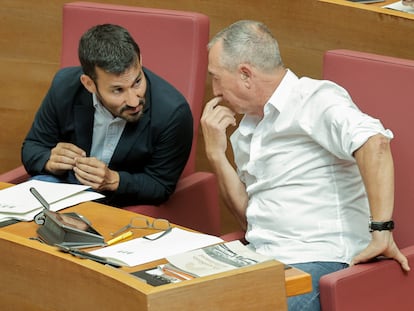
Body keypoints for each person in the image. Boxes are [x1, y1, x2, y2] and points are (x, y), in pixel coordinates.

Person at [201, 20, 410, 310]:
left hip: (321, 259)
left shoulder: (315, 99)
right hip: (262, 258)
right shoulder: (245, 132)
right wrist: (215, 155)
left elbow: (375, 143)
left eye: (216, 78)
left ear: (245, 74)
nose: (215, 92)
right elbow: (250, 221)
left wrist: (382, 231)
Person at [22, 24, 193, 207]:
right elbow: (32, 148)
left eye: (137, 82)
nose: (134, 101)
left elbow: (160, 186)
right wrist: (49, 160)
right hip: (62, 189)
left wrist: (114, 180)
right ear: (89, 84)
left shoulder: (173, 113)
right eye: (117, 90)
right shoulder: (64, 87)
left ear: (140, 61)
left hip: (119, 205)